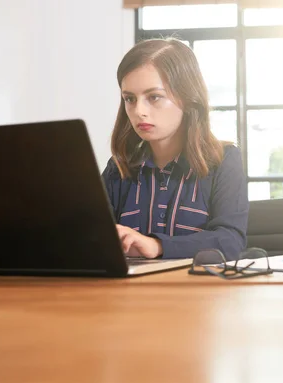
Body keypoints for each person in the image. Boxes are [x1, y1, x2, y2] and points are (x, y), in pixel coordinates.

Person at [101, 38, 248, 260]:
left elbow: (230, 241)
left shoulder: (224, 161)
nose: (139, 110)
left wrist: (157, 246)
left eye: (154, 97)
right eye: (129, 99)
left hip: (199, 293)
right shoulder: (118, 168)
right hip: (128, 293)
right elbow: (89, 236)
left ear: (188, 99)